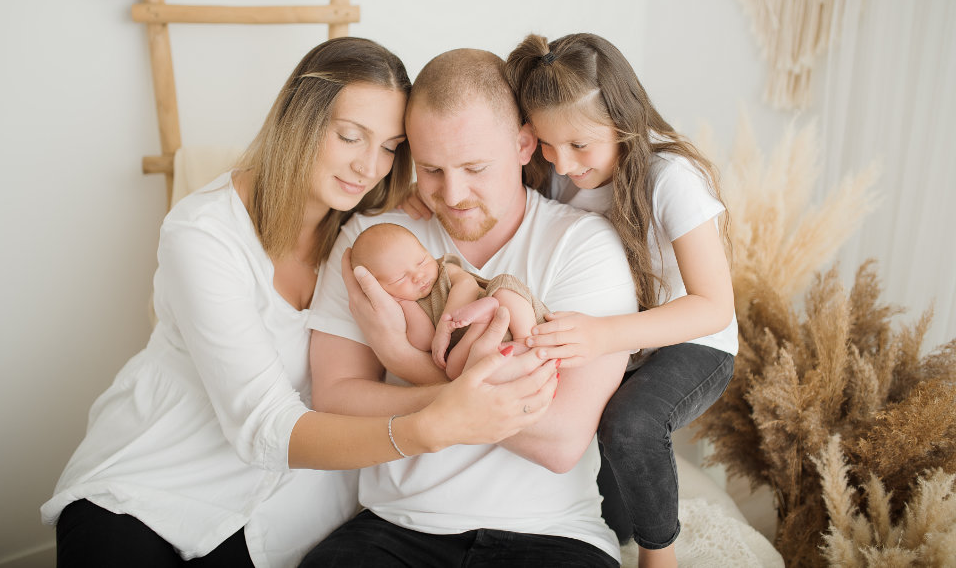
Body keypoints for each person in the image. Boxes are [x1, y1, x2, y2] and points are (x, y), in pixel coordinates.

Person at [40, 37, 558, 568]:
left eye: (389, 147)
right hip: (157, 484)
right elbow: (264, 426)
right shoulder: (204, 234)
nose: (368, 167)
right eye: (351, 136)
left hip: (281, 518)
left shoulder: (375, 232)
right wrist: (431, 425)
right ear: (301, 121)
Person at [301, 48, 638, 567]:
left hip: (552, 535)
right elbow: (336, 397)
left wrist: (404, 361)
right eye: (431, 169)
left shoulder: (582, 245)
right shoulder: (373, 240)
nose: (452, 194)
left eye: (474, 168)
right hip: (397, 528)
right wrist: (473, 399)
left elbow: (560, 441)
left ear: (525, 144)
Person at [502, 32, 738, 568]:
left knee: (630, 425)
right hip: (614, 341)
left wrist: (603, 335)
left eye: (580, 145)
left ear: (623, 119)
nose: (562, 165)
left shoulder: (672, 179)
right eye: (546, 144)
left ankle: (662, 559)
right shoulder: (561, 180)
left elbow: (713, 306)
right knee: (618, 513)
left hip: (693, 340)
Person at [350, 222, 548, 379]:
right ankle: (484, 323)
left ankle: (524, 339)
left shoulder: (445, 270)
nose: (418, 275)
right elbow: (424, 341)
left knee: (504, 285)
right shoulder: (407, 306)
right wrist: (404, 304)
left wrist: (445, 326)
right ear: (379, 289)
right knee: (454, 371)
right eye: (400, 278)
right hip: (484, 347)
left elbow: (467, 285)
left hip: (514, 317)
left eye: (421, 261)